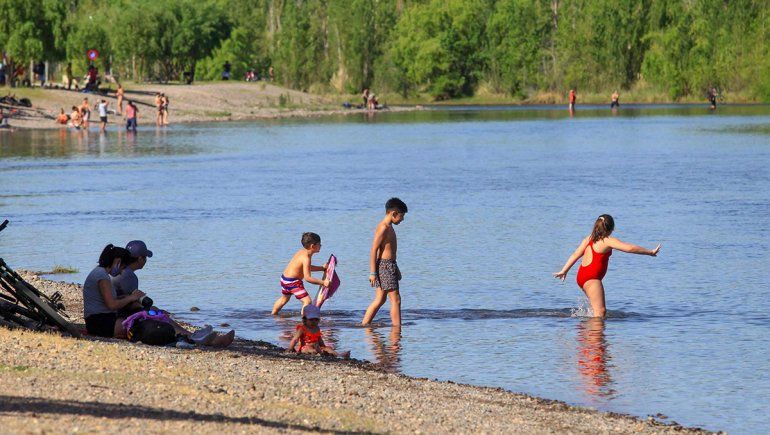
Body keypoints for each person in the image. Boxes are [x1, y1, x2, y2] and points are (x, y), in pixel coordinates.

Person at [113, 240, 235, 347]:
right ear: (140, 258)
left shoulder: (121, 272)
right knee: (157, 314)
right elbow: (129, 303)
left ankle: (194, 335)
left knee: (156, 311)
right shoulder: (128, 276)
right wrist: (151, 309)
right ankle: (195, 337)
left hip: (117, 314)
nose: (146, 261)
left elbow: (127, 299)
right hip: (120, 318)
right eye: (145, 257)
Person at [553, 214, 661, 318]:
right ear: (611, 228)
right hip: (592, 279)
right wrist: (650, 252)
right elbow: (630, 248)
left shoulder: (589, 239)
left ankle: (587, 334)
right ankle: (595, 336)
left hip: (582, 277)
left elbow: (575, 254)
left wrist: (564, 270)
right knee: (600, 312)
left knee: (596, 310)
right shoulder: (607, 240)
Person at [362, 198, 408, 326]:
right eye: (401, 216)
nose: (402, 219)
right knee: (396, 299)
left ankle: (364, 325)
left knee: (380, 299)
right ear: (393, 213)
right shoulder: (383, 228)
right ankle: (397, 328)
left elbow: (390, 251)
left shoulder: (390, 227)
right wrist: (372, 272)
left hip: (390, 265)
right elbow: (373, 250)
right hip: (385, 266)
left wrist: (396, 268)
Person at [83, 244, 146, 338]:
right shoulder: (102, 277)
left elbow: (107, 300)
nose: (121, 272)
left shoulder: (100, 272)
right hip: (99, 323)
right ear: (118, 262)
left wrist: (125, 297)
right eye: (123, 267)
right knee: (140, 322)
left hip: (100, 319)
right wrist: (131, 298)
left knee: (139, 316)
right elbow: (112, 305)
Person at [271, 232, 331, 315]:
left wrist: (322, 268)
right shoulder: (306, 257)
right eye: (319, 244)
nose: (321, 245)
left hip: (285, 279)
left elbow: (306, 267)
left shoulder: (302, 252)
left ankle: (273, 314)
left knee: (284, 299)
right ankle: (305, 321)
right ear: (313, 246)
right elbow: (307, 278)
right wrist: (323, 282)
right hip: (293, 282)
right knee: (307, 301)